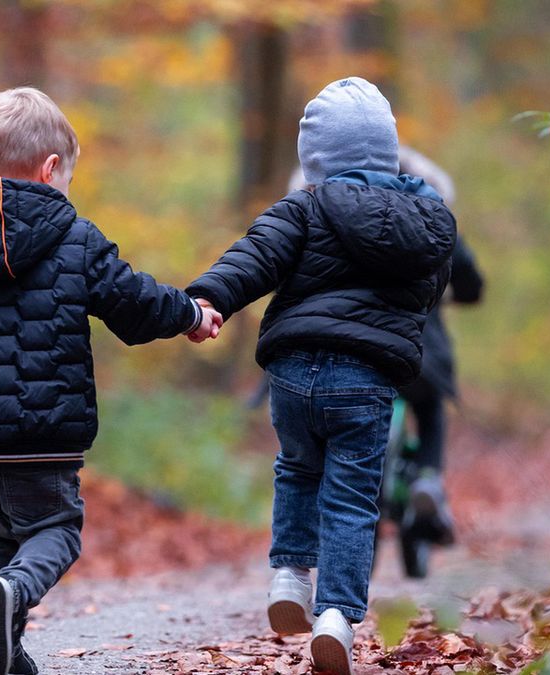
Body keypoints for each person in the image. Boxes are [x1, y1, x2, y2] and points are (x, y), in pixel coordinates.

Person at [0, 87, 221, 675]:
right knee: (56, 528)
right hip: (44, 431)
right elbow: (131, 302)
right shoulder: (73, 236)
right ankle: (12, 597)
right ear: (50, 168)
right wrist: (188, 314)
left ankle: (0, 638)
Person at [186, 77, 456, 675]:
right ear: (388, 149)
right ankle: (336, 616)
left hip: (292, 373)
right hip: (365, 382)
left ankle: (288, 575)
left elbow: (253, 258)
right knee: (354, 497)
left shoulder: (302, 207)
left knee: (297, 469)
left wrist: (206, 301)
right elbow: (429, 293)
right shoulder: (429, 220)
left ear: (315, 158)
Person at [394, 146, 484, 547]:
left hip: (357, 347)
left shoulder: (336, 210)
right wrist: (455, 293)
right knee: (429, 408)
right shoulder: (434, 220)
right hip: (420, 348)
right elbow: (470, 282)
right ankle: (429, 477)